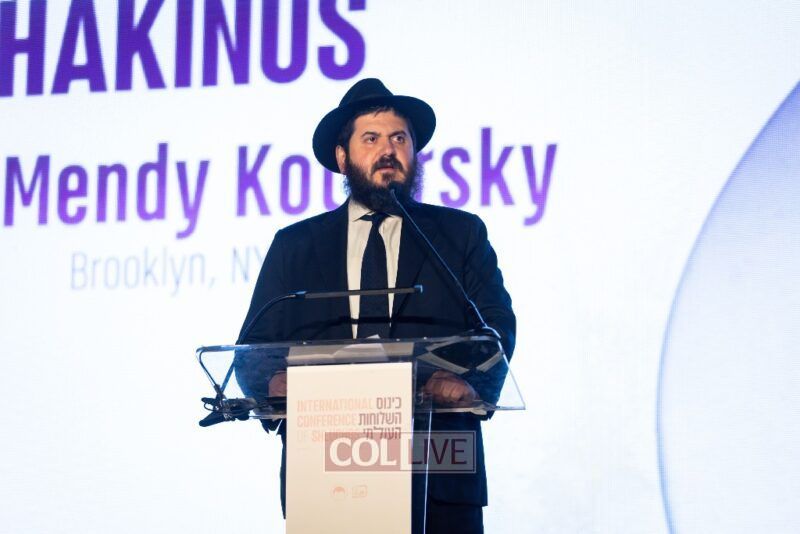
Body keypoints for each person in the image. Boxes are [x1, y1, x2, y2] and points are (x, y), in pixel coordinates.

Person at [238, 78, 515, 534]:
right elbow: (254, 348)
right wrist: (276, 384)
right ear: (342, 157)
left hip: (438, 465)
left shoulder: (458, 234)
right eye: (371, 139)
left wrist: (465, 382)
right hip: (326, 467)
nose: (388, 150)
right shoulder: (296, 245)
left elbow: (497, 327)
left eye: (399, 138)